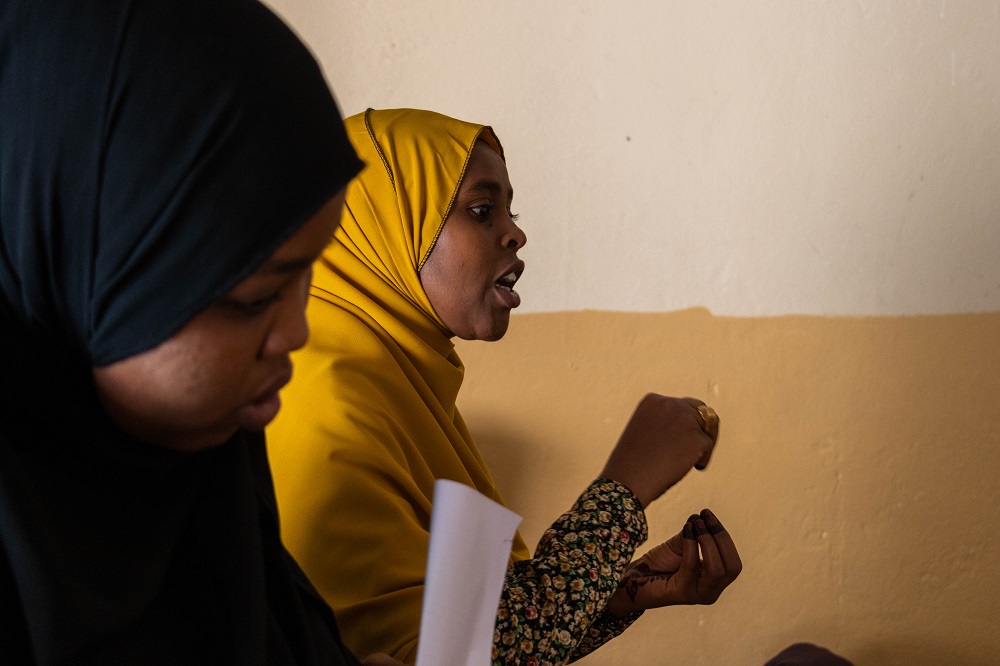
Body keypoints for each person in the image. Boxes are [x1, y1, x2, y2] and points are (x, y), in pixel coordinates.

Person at [266, 108, 743, 665]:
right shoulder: (322, 406)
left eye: (510, 211)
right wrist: (623, 490)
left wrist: (620, 593)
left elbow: (478, 640)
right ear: (382, 225)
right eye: (481, 209)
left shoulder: (400, 391)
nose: (516, 232)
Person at [0, 0, 387, 662]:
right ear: (80, 252)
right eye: (255, 295)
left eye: (306, 278)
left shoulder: (212, 479)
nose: (295, 331)